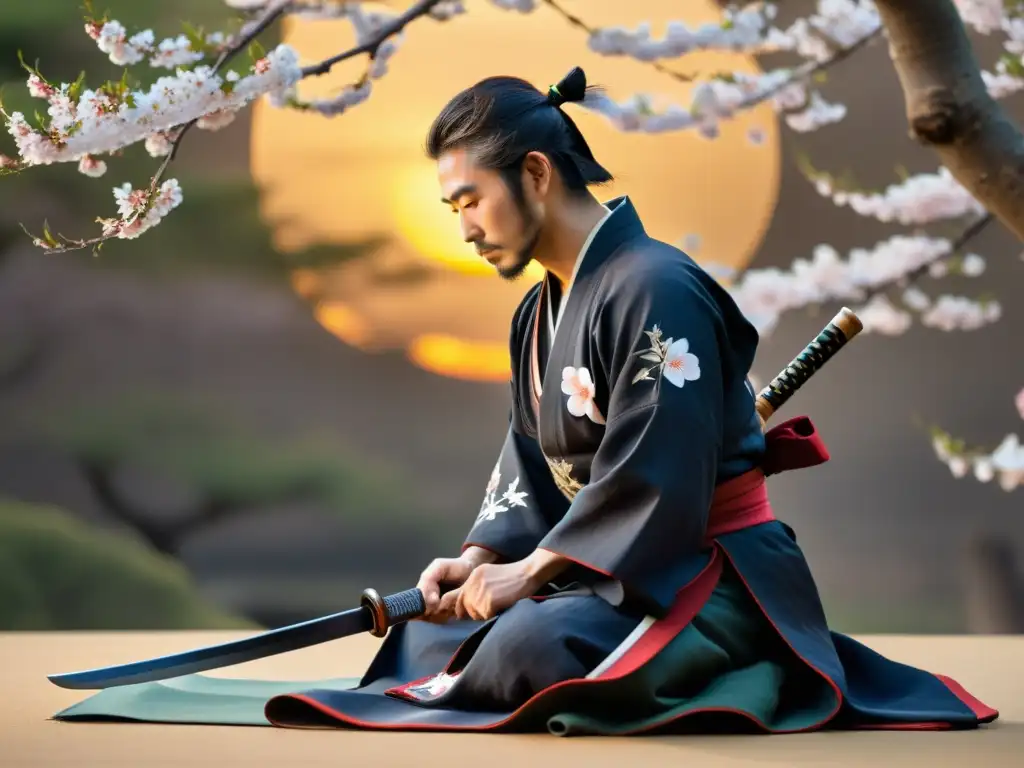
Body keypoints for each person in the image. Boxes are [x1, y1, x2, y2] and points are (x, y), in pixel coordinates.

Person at [54, 66, 1000, 736]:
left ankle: (743, 661)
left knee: (531, 644)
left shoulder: (655, 287)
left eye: (469, 201)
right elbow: (530, 464)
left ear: (535, 176)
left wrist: (527, 578)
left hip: (703, 576)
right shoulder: (539, 312)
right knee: (435, 630)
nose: (461, 226)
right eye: (451, 209)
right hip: (606, 568)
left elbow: (656, 481)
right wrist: (476, 557)